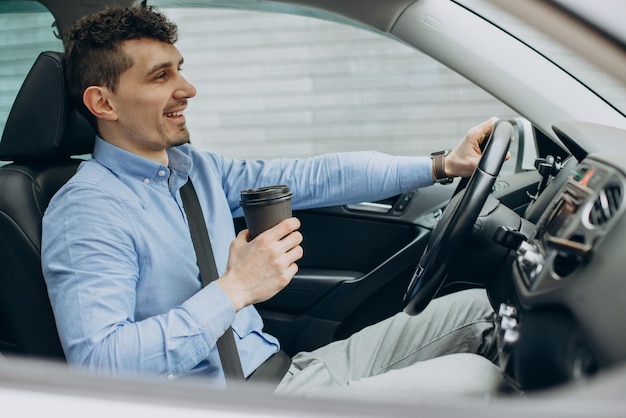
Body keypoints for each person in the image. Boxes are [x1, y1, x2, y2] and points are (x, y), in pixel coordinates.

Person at [42, 5, 503, 399]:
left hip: (285, 373)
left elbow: (313, 177)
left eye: (180, 68)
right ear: (103, 103)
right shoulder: (86, 210)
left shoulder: (192, 169)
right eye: (161, 76)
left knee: (481, 308)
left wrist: (443, 164)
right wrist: (237, 288)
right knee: (477, 379)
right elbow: (100, 362)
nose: (187, 88)